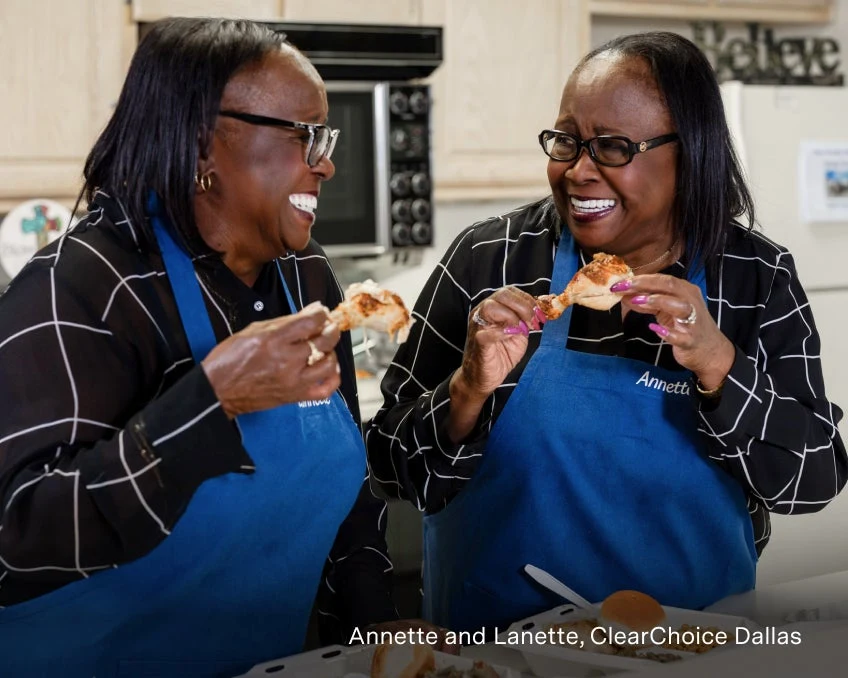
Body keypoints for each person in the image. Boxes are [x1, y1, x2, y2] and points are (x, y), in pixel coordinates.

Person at [365, 31, 848, 635]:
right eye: (567, 141)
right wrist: (465, 392)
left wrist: (721, 365)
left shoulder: (754, 276)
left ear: (691, 153)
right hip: (494, 652)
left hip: (695, 651)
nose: (578, 171)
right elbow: (388, 466)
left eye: (613, 148)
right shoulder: (492, 258)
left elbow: (813, 481)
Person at [0, 17, 405, 677]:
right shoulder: (78, 290)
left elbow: (348, 494)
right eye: (304, 135)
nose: (326, 161)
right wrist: (209, 403)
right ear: (199, 146)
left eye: (323, 136)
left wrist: (375, 636)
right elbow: (21, 535)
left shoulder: (305, 276)